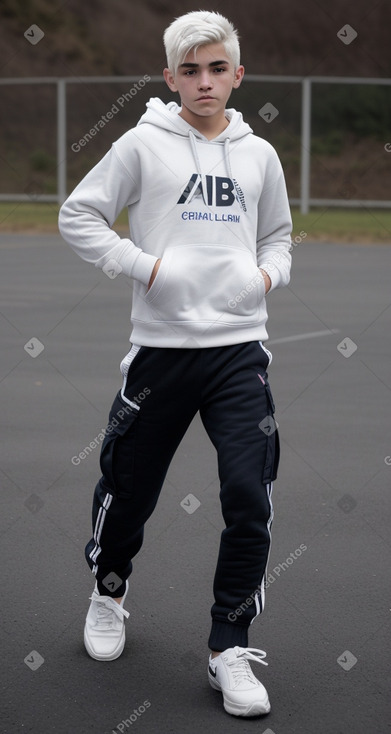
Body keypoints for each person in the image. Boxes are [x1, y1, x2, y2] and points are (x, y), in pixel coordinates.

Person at [59, 9, 292, 718]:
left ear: (236, 75)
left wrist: (264, 278)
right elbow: (79, 214)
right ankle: (109, 591)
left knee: (249, 496)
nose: (203, 81)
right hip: (160, 353)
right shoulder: (142, 144)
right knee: (128, 492)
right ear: (169, 78)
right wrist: (146, 267)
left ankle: (228, 646)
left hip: (237, 353)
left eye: (217, 68)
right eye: (189, 70)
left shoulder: (259, 155)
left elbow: (278, 235)